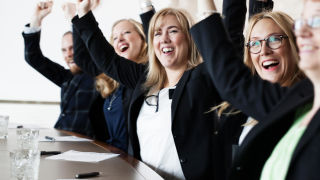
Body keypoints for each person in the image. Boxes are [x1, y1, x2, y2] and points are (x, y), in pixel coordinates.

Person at [73, 0, 223, 179]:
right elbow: (107, 58)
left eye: (173, 31)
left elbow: (222, 44)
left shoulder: (202, 79)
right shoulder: (144, 79)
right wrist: (83, 12)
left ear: (191, 37)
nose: (164, 39)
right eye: (157, 34)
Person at [192, 0, 320, 179]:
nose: (264, 51)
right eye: (302, 23)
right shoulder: (292, 102)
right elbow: (232, 79)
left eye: (316, 21)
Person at [63, 1, 153, 152]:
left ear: (143, 38)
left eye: (126, 32)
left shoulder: (148, 73)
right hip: (112, 157)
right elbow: (82, 59)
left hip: (134, 163)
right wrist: (76, 16)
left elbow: (155, 42)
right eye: (115, 37)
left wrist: (145, 5)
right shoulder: (111, 78)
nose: (120, 39)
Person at [22, 1, 100, 137]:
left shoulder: (101, 76)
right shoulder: (67, 77)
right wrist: (36, 20)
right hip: (60, 141)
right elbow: (33, 58)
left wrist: (76, 17)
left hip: (87, 148)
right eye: (64, 50)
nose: (68, 54)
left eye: (72, 48)